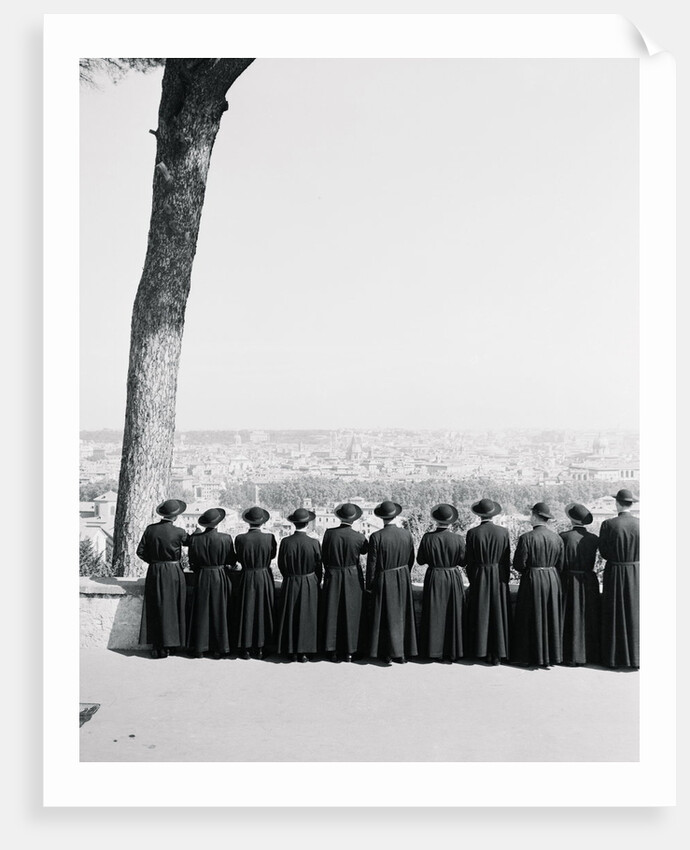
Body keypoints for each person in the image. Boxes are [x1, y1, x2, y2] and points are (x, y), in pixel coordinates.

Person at [511, 502, 564, 668]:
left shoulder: (526, 538)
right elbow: (561, 564)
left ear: (534, 516)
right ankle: (551, 656)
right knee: (550, 615)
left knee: (530, 616)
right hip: (552, 579)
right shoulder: (557, 538)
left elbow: (519, 564)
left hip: (532, 578)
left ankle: (529, 656)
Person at [366, 500, 418, 665]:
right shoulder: (406, 534)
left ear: (381, 518)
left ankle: (387, 653)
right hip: (402, 576)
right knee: (402, 615)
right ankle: (401, 653)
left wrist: (370, 584)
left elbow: (372, 564)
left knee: (385, 616)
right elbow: (411, 559)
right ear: (395, 515)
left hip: (384, 578)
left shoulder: (376, 536)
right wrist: (404, 573)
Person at [137, 498, 189, 659]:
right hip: (173, 571)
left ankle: (157, 646)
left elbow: (140, 552)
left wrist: (154, 562)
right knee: (173, 607)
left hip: (155, 570)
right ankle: (171, 645)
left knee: (155, 607)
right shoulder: (179, 532)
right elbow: (191, 542)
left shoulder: (150, 529)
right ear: (175, 516)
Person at [417, 503, 467, 663]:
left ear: (435, 520)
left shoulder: (427, 538)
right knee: (453, 613)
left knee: (434, 613)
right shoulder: (458, 539)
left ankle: (434, 651)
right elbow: (463, 561)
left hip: (434, 576)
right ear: (451, 521)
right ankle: (452, 651)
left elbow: (420, 560)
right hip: (452, 577)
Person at [464, 498, 511, 665]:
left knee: (481, 612)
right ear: (493, 514)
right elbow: (506, 559)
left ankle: (481, 651)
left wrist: (473, 577)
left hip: (480, 575)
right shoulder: (503, 532)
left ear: (479, 515)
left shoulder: (472, 533)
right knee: (498, 613)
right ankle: (498, 652)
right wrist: (504, 578)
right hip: (498, 575)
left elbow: (469, 560)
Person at [320, 503, 369, 662]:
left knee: (332, 612)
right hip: (352, 576)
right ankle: (350, 651)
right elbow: (365, 550)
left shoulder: (329, 534)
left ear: (339, 517)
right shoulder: (359, 537)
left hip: (333, 574)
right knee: (352, 613)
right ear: (354, 519)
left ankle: (332, 650)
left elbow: (324, 556)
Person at [185, 507, 236, 659]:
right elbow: (231, 560)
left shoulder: (195, 539)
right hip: (219, 576)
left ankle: (199, 648)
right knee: (220, 611)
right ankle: (219, 648)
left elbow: (192, 562)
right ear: (218, 523)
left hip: (202, 576)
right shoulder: (225, 538)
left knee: (201, 611)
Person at [275, 508, 323, 662]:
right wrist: (315, 581)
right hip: (309, 582)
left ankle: (291, 651)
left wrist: (289, 577)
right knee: (308, 616)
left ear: (294, 523)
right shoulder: (314, 543)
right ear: (307, 524)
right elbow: (319, 566)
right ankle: (306, 652)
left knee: (290, 615)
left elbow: (281, 564)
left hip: (291, 581)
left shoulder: (285, 542)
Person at [599, 488, 640, 669]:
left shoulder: (608, 524)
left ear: (617, 504)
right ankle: (636, 657)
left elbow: (604, 552)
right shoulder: (641, 524)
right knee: (635, 611)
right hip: (636, 571)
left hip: (615, 571)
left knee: (613, 611)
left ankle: (614, 658)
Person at [559, 502, 601, 666]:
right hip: (588, 580)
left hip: (568, 579)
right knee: (588, 616)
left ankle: (569, 655)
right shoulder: (594, 539)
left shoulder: (563, 536)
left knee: (569, 616)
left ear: (571, 519)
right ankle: (589, 654)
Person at [233, 506, 277, 660]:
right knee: (263, 610)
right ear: (262, 522)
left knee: (246, 610)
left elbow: (238, 557)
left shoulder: (240, 538)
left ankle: (245, 648)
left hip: (246, 575)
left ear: (248, 521)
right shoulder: (269, 538)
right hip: (263, 576)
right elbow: (272, 555)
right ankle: (261, 648)